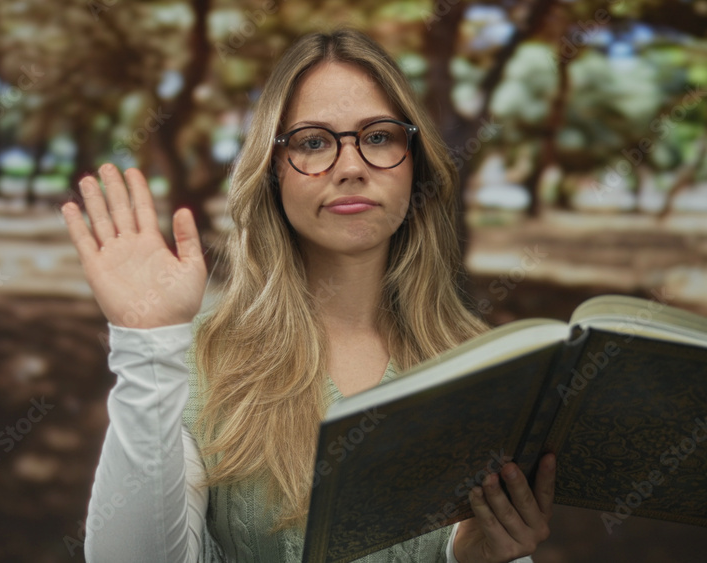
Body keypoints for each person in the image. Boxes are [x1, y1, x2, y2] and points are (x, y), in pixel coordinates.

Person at [62, 28, 557, 562]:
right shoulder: (192, 362)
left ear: (415, 166)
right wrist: (147, 342)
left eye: (378, 136)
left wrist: (473, 558)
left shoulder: (483, 368)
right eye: (313, 142)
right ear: (274, 173)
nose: (350, 167)